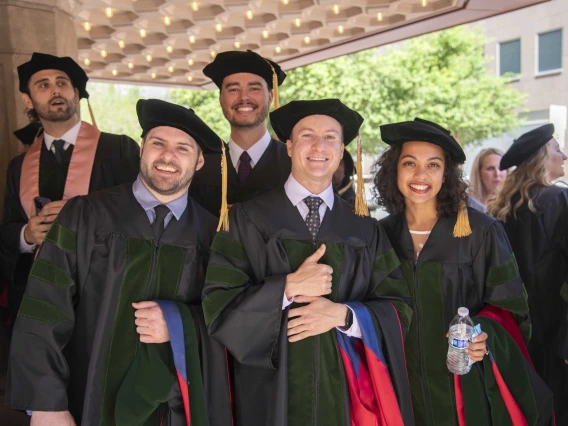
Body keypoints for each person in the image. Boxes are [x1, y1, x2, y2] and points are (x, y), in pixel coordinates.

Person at [5, 99, 232, 426]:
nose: (167, 156)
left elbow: (229, 314)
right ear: (141, 148)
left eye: (182, 148)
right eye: (158, 143)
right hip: (88, 398)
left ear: (198, 162)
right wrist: (45, 403)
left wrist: (180, 321)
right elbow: (44, 308)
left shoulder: (214, 235)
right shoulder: (85, 216)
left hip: (173, 409)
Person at [203, 99, 414, 426]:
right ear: (288, 146)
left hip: (344, 396)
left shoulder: (364, 229)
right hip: (268, 395)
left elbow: (399, 307)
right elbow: (217, 304)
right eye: (307, 136)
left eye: (330, 137)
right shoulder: (246, 220)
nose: (319, 146)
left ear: (341, 149)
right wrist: (286, 289)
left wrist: (344, 315)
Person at [374, 118, 554, 426]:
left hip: (466, 388)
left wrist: (482, 332)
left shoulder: (479, 231)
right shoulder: (380, 235)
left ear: (446, 174)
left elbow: (510, 309)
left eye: (433, 165)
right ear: (395, 171)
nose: (421, 175)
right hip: (401, 388)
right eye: (409, 163)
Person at [0, 52, 140, 323]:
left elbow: (140, 213)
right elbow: (8, 227)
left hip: (102, 292)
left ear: (76, 93)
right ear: (27, 100)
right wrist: (27, 235)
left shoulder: (119, 149)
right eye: (43, 85)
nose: (55, 90)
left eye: (62, 83)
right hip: (37, 297)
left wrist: (86, 215)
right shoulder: (18, 166)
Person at [488, 123, 568, 424]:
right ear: (541, 158)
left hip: (508, 335)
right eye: (557, 149)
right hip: (554, 338)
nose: (564, 156)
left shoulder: (500, 210)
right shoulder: (560, 201)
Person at [189, 50, 291, 216]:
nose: (244, 97)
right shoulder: (200, 167)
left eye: (254, 88)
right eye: (233, 90)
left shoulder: (295, 164)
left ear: (271, 97)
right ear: (221, 98)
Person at [467, 147, 507, 212]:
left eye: (501, 168)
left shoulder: (516, 203)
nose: (497, 173)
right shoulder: (467, 206)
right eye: (490, 168)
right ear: (479, 173)